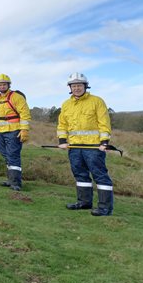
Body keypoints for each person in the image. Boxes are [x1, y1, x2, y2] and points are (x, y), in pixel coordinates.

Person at [57, 72, 114, 216]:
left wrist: (104, 142)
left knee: (100, 176)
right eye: (74, 85)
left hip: (94, 148)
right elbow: (62, 124)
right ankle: (84, 202)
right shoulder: (66, 104)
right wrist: (62, 141)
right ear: (70, 87)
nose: (76, 88)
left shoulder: (97, 101)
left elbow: (104, 122)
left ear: (85, 86)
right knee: (80, 175)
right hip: (75, 147)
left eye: (79, 85)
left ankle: (105, 208)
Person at [0, 74, 31, 191]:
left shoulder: (16, 97)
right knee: (5, 155)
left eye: (4, 84)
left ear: (8, 85)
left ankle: (16, 183)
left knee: (13, 155)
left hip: (14, 131)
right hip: (0, 132)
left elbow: (24, 114)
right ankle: (10, 179)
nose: (2, 86)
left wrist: (24, 130)